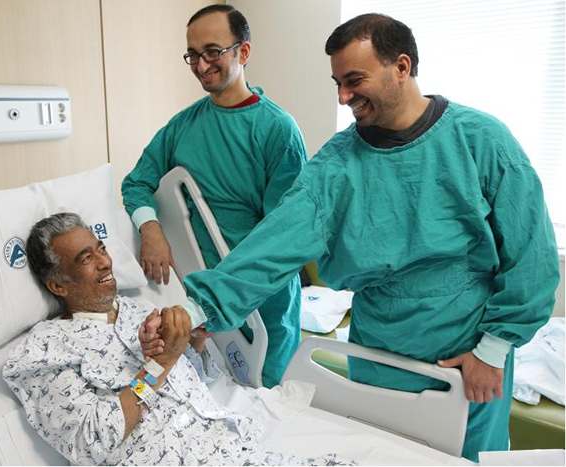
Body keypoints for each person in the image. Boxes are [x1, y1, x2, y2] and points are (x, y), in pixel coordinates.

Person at [149, 13, 560, 462]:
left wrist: (494, 350)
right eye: (337, 84)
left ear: (401, 66)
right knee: (378, 453)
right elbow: (272, 245)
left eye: (354, 80)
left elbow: (531, 256)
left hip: (467, 356)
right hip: (377, 351)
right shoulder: (337, 165)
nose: (343, 97)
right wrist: (195, 310)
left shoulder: (481, 141)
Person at [3, 212, 352, 466]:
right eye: (86, 259)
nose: (105, 262)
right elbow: (90, 441)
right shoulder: (46, 350)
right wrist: (159, 365)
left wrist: (194, 343)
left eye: (101, 249)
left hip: (227, 447)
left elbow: (197, 382)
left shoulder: (141, 311)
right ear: (58, 285)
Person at [121, 4, 307, 388]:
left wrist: (225, 297)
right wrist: (150, 229)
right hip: (198, 293)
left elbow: (283, 237)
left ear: (243, 51)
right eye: (193, 54)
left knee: (270, 399)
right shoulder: (182, 127)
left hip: (262, 298)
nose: (201, 65)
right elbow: (136, 183)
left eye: (212, 52)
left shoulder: (278, 130)